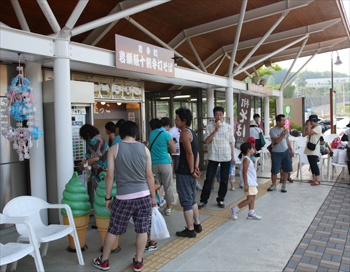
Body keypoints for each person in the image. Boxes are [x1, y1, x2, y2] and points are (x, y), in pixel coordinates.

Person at [92, 121, 157, 272]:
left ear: (121, 134)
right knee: (142, 229)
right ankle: (139, 261)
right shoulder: (144, 149)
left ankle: (104, 260)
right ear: (136, 134)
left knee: (113, 229)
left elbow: (109, 176)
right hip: (143, 196)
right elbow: (149, 175)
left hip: (123, 198)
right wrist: (153, 197)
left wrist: (108, 198)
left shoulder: (114, 149)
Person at [199, 106, 235, 208]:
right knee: (209, 178)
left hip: (226, 155)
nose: (218, 116)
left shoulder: (228, 127)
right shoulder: (210, 126)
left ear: (223, 115)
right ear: (214, 115)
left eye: (220, 114)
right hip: (213, 156)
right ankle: (203, 200)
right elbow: (207, 141)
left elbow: (231, 142)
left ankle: (221, 199)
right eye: (216, 114)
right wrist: (215, 130)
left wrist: (233, 156)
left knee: (224, 180)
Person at [174, 108, 202, 238]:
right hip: (190, 171)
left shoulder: (184, 134)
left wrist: (191, 171)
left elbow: (190, 153)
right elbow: (196, 153)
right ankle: (197, 224)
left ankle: (190, 229)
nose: (175, 121)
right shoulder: (192, 132)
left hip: (185, 172)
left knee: (186, 201)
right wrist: (196, 168)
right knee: (192, 200)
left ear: (184, 120)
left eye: (177, 119)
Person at [149, 119, 176, 216]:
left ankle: (156, 204)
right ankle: (168, 208)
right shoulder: (167, 135)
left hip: (153, 164)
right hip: (165, 163)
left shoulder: (151, 134)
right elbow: (173, 150)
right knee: (168, 185)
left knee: (156, 185)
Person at [230, 142, 261, 220]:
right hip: (249, 183)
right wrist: (246, 184)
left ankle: (251, 213)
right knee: (250, 199)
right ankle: (235, 209)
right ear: (248, 150)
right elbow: (244, 172)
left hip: (251, 182)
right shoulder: (246, 160)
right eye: (252, 148)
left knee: (252, 197)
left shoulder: (248, 159)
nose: (253, 149)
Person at [79, 124, 109, 201]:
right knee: (106, 194)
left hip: (100, 173)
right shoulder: (100, 138)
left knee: (101, 196)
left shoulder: (93, 141)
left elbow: (96, 158)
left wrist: (85, 162)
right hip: (106, 170)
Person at [267, 114, 294, 193]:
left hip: (285, 151)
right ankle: (274, 184)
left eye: (284, 120)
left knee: (286, 169)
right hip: (276, 152)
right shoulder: (273, 130)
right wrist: (283, 134)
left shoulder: (284, 129)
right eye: (282, 120)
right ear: (278, 121)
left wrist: (290, 149)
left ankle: (284, 185)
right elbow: (277, 141)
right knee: (274, 170)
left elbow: (287, 140)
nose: (284, 122)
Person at [302, 115, 322, 186]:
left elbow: (309, 132)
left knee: (314, 164)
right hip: (309, 148)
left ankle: (318, 179)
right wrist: (305, 126)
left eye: (311, 122)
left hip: (314, 149)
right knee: (311, 164)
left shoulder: (318, 128)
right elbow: (304, 135)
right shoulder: (311, 127)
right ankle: (314, 178)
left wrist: (308, 125)